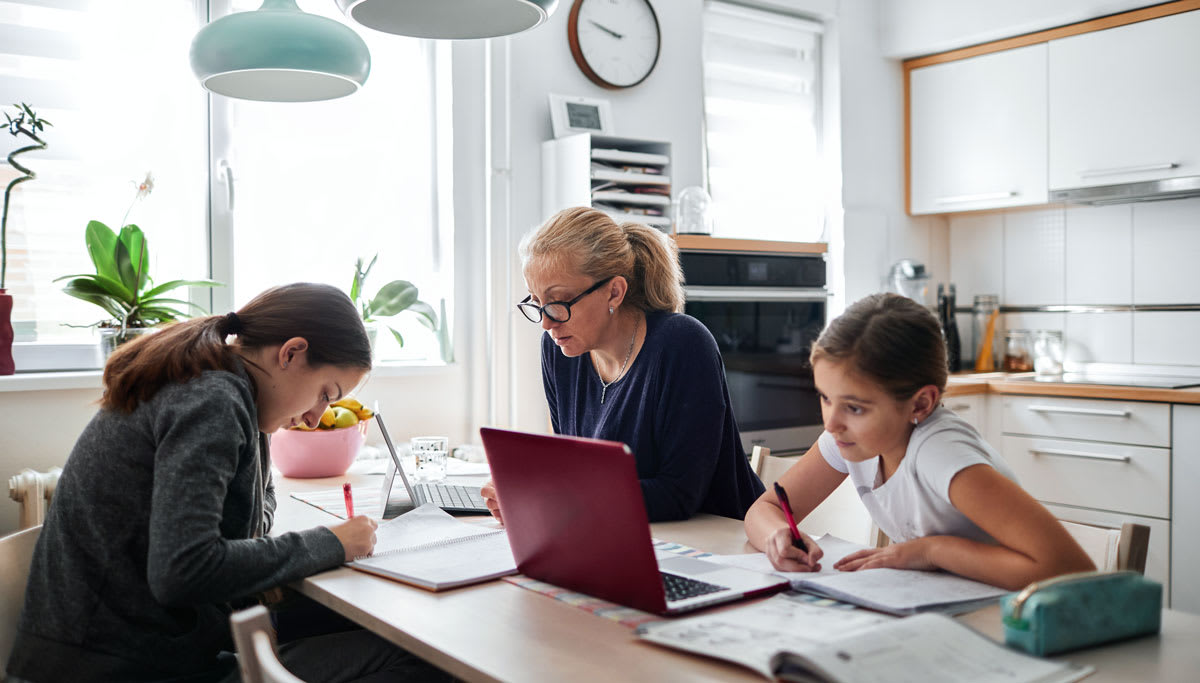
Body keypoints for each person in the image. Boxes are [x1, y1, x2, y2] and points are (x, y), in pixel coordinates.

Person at [7, 283, 446, 683]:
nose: (317, 416)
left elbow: (257, 506)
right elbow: (184, 571)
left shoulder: (229, 389)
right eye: (326, 394)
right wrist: (333, 543)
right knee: (421, 660)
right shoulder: (211, 400)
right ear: (291, 352)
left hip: (123, 650)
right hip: (122, 670)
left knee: (352, 623)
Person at [744, 293, 1094, 590]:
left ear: (920, 404)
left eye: (854, 407)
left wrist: (931, 551)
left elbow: (1071, 570)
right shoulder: (851, 437)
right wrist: (777, 536)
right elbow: (765, 509)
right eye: (825, 398)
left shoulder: (941, 454)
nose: (831, 423)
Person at [481, 207, 764, 523]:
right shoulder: (559, 349)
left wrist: (555, 497)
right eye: (536, 303)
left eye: (558, 303)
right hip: (622, 534)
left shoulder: (683, 344)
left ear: (614, 292)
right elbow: (574, 470)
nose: (546, 322)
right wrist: (527, 492)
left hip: (723, 545)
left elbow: (680, 495)